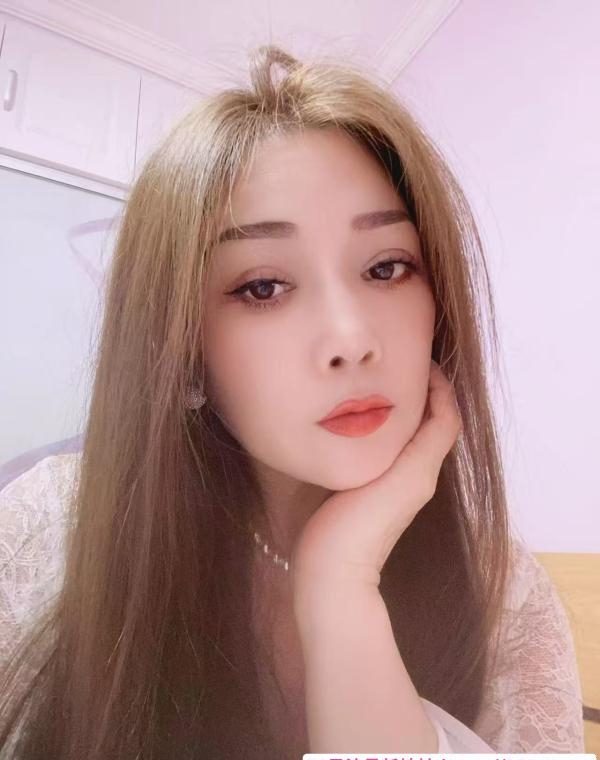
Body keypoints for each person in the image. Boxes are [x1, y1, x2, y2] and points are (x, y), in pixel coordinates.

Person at [0, 44, 585, 759]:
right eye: (263, 287)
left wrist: (340, 586)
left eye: (387, 267)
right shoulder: (42, 534)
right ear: (183, 350)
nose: (351, 340)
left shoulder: (504, 594)